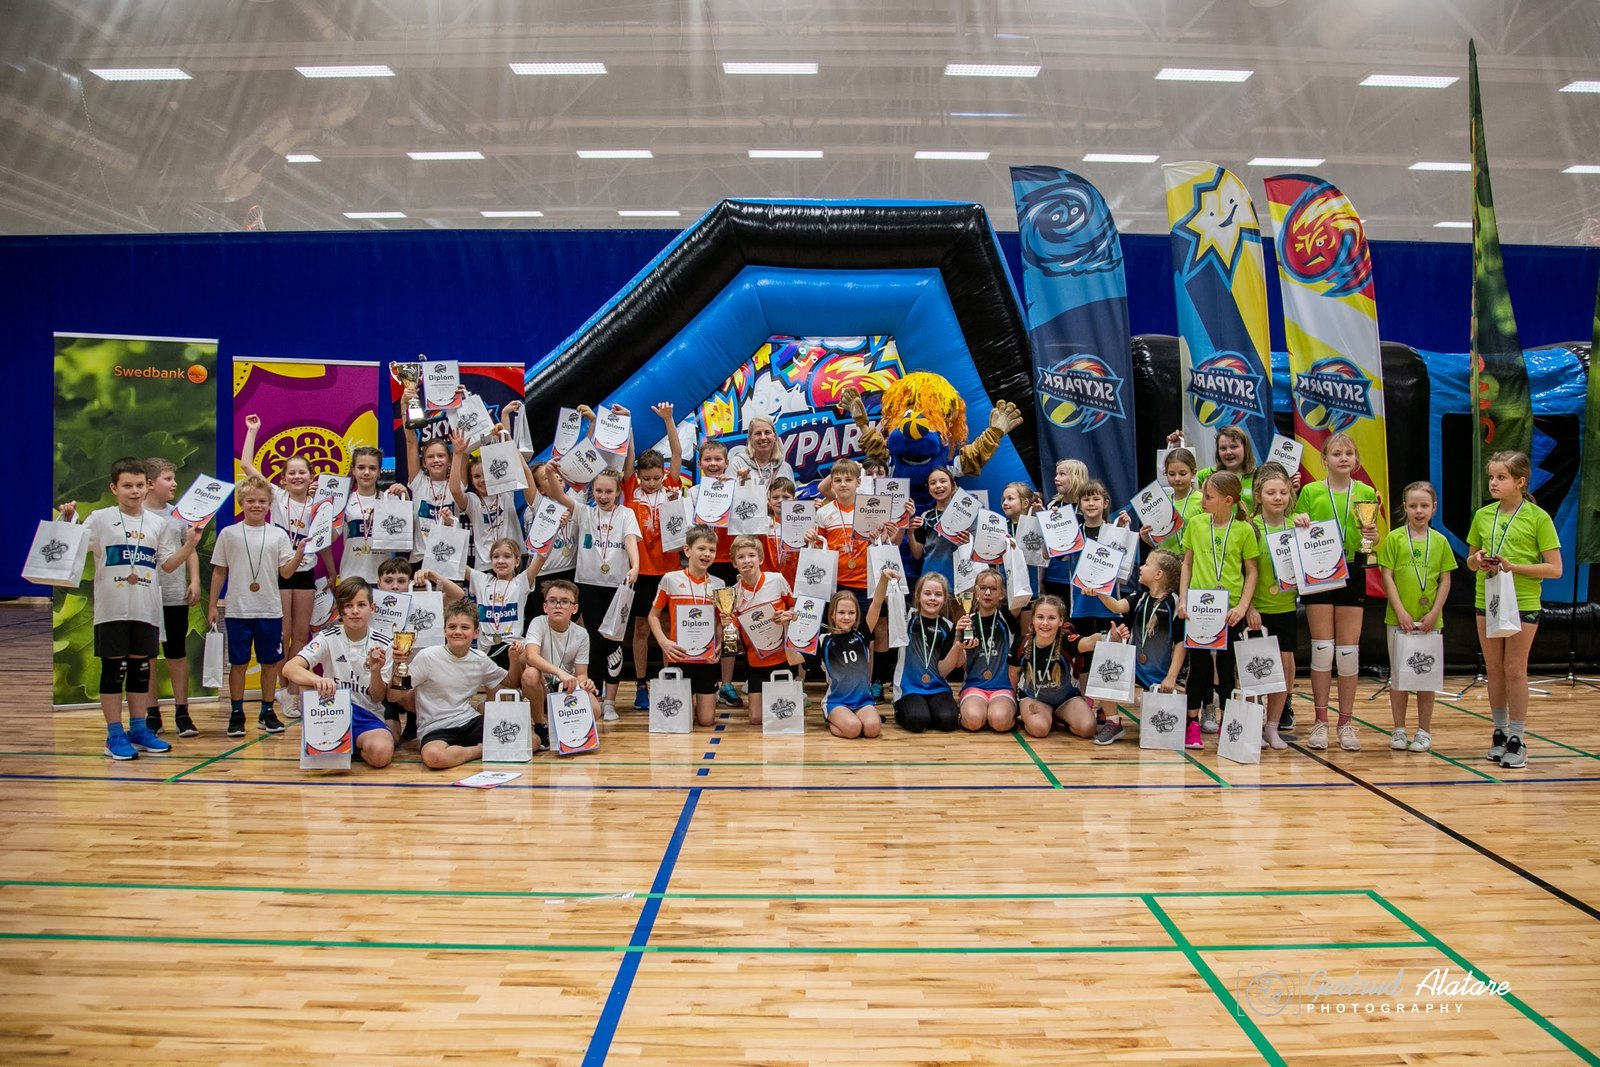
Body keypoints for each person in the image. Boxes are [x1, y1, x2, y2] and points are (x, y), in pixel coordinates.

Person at [57, 457, 203, 760]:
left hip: (146, 609)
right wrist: (67, 520)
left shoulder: (158, 523)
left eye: (138, 485)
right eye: (127, 486)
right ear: (114, 488)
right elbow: (71, 548)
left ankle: (139, 729)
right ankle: (114, 735)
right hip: (112, 609)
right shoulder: (100, 518)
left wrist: (189, 546)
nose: (134, 491)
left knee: (140, 671)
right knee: (113, 671)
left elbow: (167, 564)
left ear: (146, 487)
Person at [1467, 451, 1561, 770]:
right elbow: (1470, 562)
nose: (1493, 482)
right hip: (1487, 599)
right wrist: (1478, 560)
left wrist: (1514, 567)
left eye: (1501, 477)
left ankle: (1518, 738)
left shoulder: (1538, 518)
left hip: (1522, 601)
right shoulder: (1483, 515)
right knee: (1494, 667)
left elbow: (1555, 568)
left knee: (1514, 668)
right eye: (1491, 477)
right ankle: (1499, 732)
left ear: (1520, 482)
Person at [239, 414, 338, 713]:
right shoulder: (277, 497)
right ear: (283, 479)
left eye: (302, 473)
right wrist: (253, 431)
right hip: (280, 572)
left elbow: (323, 541)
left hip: (306, 573)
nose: (297, 477)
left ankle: (293, 691)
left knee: (301, 633)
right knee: (282, 634)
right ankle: (282, 690)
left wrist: (332, 571)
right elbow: (247, 466)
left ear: (311, 477)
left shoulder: (320, 504)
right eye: (291, 473)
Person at [1292, 431, 1379, 752]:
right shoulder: (1311, 492)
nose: (1343, 458)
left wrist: (1372, 536)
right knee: (1322, 649)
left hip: (1352, 571)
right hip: (1319, 571)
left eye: (1349, 453)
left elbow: (1369, 544)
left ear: (1356, 459)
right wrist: (1299, 520)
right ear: (1324, 459)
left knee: (1347, 652)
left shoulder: (1366, 492)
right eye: (1337, 453)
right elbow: (1297, 528)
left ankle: (1346, 723)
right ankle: (1320, 722)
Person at [205, 475, 303, 738]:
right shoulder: (229, 534)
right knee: (238, 663)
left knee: (270, 663)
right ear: (241, 503)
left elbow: (286, 572)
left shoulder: (278, 534)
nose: (256, 505)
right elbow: (219, 571)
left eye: (261, 501)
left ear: (269, 504)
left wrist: (299, 554)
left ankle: (267, 711)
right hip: (238, 610)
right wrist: (212, 605)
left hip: (269, 610)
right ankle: (237, 713)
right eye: (251, 501)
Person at [548, 466, 640, 721]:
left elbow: (630, 540)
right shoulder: (584, 512)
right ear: (591, 491)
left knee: (614, 643)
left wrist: (635, 566)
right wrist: (550, 473)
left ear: (618, 491)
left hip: (618, 586)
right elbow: (559, 495)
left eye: (608, 491)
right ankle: (596, 696)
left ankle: (610, 701)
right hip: (588, 584)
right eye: (598, 491)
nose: (603, 496)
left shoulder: (626, 514)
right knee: (593, 642)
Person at [1178, 470, 1259, 748]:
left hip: (1229, 609)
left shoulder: (1244, 529)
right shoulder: (1196, 524)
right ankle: (1191, 723)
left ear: (1227, 501)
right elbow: (1187, 563)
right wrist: (1183, 599)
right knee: (1198, 667)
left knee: (1226, 669)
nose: (1203, 500)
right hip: (1199, 607)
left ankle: (1229, 723)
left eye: (1209, 496)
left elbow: (1251, 571)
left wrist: (1243, 606)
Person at [812, 457, 903, 702]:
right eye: (838, 480)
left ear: (858, 482)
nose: (843, 484)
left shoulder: (871, 507)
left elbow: (888, 543)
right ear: (832, 484)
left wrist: (887, 535)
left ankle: (872, 682)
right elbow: (819, 548)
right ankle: (839, 684)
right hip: (837, 583)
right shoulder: (824, 512)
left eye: (848, 480)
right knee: (837, 633)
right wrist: (811, 539)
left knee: (871, 634)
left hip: (867, 582)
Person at [280, 577, 396, 768]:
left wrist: (375, 672)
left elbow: (377, 697)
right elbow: (289, 668)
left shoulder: (384, 644)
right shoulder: (327, 637)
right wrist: (317, 679)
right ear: (340, 611)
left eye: (361, 605)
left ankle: (348, 746)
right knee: (305, 682)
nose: (355, 611)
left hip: (367, 715)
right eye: (348, 606)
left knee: (381, 755)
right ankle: (336, 743)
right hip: (332, 711)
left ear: (372, 608)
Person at [1378, 481, 1456, 754]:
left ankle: (1424, 731)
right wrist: (1400, 610)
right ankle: (1399, 729)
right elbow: (1386, 576)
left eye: (1424, 505)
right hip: (1398, 620)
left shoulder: (1441, 542)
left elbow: (1445, 580)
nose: (1419, 511)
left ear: (1434, 508)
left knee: (1425, 677)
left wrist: (1434, 612)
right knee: (1398, 675)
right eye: (1413, 506)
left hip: (1429, 622)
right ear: (1405, 508)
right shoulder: (1394, 539)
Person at [389, 598, 510, 769]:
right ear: (444, 631)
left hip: (469, 721)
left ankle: (465, 749)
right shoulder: (427, 657)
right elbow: (393, 696)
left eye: (465, 627)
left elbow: (510, 681)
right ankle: (481, 750)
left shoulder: (480, 659)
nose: (458, 632)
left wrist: (515, 660)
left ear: (476, 632)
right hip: (436, 727)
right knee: (434, 757)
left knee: (528, 740)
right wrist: (400, 667)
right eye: (452, 627)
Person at [422, 535, 543, 692]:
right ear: (490, 561)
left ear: (517, 561)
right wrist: (447, 528)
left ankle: (539, 698)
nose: (501, 561)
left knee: (530, 670)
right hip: (487, 651)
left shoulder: (521, 582)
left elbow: (541, 558)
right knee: (495, 701)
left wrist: (554, 529)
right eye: (496, 557)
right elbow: (453, 559)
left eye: (507, 556)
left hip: (513, 646)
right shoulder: (481, 580)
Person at [624, 402, 685, 711]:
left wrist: (669, 420)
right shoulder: (630, 489)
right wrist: (628, 425)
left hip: (669, 570)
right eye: (646, 478)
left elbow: (676, 452)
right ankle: (641, 683)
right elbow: (629, 456)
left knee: (668, 626)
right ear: (638, 476)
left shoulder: (671, 486)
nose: (651, 483)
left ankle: (669, 678)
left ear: (663, 475)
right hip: (642, 571)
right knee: (641, 628)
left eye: (655, 478)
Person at [1095, 550, 1186, 746]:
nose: (1141, 568)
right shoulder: (1140, 597)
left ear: (1158, 574)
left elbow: (1180, 642)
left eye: (1146, 564)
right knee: (1106, 668)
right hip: (1134, 667)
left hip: (1160, 673)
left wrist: (1171, 676)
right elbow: (1117, 606)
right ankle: (1113, 722)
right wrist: (1099, 591)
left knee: (1158, 727)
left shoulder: (1175, 602)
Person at [142, 457, 201, 737]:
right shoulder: (137, 515)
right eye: (168, 479)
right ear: (150, 483)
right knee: (147, 655)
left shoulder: (178, 515)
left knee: (176, 652)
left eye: (174, 478)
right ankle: (151, 712)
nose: (174, 484)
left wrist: (195, 580)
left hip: (174, 594)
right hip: (144, 595)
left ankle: (182, 711)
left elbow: (189, 548)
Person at [649, 524, 727, 728]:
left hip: (706, 659)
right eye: (701, 548)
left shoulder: (718, 584)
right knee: (682, 720)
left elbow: (720, 622)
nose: (707, 554)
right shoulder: (671, 579)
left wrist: (719, 644)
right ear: (687, 550)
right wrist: (664, 642)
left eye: (712, 550)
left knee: (706, 720)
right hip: (679, 656)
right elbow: (653, 616)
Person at [1245, 462, 1300, 750]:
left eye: (1283, 492)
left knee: (1279, 671)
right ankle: (1253, 724)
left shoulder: (1297, 527)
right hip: (1257, 611)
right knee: (1255, 671)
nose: (1278, 498)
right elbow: (1244, 572)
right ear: (1258, 495)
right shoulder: (1250, 528)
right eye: (1271, 493)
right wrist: (1249, 607)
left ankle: (1272, 727)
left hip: (1285, 608)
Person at [870, 569, 962, 733]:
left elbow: (943, 670)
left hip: (937, 687)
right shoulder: (906, 617)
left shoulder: (948, 627)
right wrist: (884, 579)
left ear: (944, 599)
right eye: (927, 593)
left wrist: (957, 645)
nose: (932, 598)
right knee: (917, 720)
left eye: (938, 594)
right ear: (918, 596)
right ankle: (905, 708)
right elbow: (879, 601)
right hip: (909, 688)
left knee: (948, 721)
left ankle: (930, 709)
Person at [1011, 594, 1111, 740]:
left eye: (1051, 618)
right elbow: (1013, 674)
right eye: (1040, 617)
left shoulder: (1067, 641)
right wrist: (1015, 703)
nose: (1045, 623)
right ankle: (1043, 716)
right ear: (1032, 619)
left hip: (1066, 699)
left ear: (1061, 621)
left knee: (1088, 728)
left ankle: (1059, 715)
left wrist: (1109, 636)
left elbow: (1090, 642)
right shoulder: (1022, 643)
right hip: (1034, 698)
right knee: (1039, 729)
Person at [521, 578, 597, 750]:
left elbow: (581, 673)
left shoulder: (581, 634)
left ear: (574, 608)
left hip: (565, 686)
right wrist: (559, 672)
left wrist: (585, 683)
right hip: (541, 684)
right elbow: (531, 657)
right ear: (545, 606)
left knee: (595, 708)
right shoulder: (538, 623)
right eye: (552, 601)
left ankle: (564, 726)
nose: (558, 606)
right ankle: (540, 726)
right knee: (530, 673)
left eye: (564, 601)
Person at [729, 535, 796, 726]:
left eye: (751, 555)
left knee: (785, 717)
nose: (747, 561)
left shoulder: (777, 580)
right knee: (756, 718)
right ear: (734, 563)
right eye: (740, 557)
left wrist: (788, 614)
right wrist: (727, 622)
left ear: (760, 559)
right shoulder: (733, 593)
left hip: (782, 656)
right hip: (755, 660)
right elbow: (733, 632)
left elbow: (793, 607)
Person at [448, 426, 532, 566]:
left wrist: (506, 437)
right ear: (471, 481)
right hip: (485, 565)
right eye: (476, 476)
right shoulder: (472, 501)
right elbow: (455, 490)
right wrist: (457, 454)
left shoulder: (505, 490)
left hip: (513, 560)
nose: (482, 480)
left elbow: (515, 464)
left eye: (486, 474)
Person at [338, 445, 411, 585]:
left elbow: (407, 536)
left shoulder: (391, 500)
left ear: (379, 472)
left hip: (384, 578)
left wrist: (405, 500)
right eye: (361, 467)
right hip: (351, 576)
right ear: (353, 470)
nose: (366, 472)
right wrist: (321, 506)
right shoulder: (344, 501)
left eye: (372, 468)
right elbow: (331, 537)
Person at [956, 568, 1017, 732]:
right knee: (973, 721)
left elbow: (1020, 592)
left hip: (1002, 687)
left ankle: (1006, 713)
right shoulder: (968, 621)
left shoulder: (1007, 618)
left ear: (1002, 594)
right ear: (976, 592)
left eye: (993, 589)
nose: (988, 593)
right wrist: (958, 636)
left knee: (999, 722)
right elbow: (959, 663)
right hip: (974, 686)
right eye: (983, 588)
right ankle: (973, 713)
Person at [815, 589, 880, 739]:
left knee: (872, 730)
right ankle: (832, 719)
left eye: (851, 613)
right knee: (853, 729)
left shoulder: (862, 634)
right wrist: (788, 627)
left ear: (857, 615)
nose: (846, 617)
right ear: (832, 614)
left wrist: (884, 578)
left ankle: (851, 720)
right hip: (837, 701)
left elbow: (876, 603)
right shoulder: (823, 640)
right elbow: (793, 659)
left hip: (862, 701)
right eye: (841, 612)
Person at [374, 556, 421, 742]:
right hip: (381, 682)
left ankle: (413, 718)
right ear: (378, 583)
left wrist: (433, 577)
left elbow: (456, 596)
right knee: (392, 738)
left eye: (401, 581)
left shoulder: (423, 604)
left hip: (410, 682)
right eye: (388, 581)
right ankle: (390, 715)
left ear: (409, 583)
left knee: (408, 691)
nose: (395, 586)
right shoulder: (369, 608)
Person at [1171, 425, 1259, 513]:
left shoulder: (1257, 477)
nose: (1228, 452)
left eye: (1233, 447)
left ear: (1245, 448)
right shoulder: (1208, 474)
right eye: (1223, 448)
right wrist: (1177, 449)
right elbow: (1179, 481)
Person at [908, 467, 964, 587]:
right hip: (930, 580)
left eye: (943, 481)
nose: (938, 486)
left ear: (953, 485)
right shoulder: (925, 517)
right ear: (929, 489)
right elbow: (917, 554)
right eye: (933, 483)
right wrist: (910, 533)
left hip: (959, 581)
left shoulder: (965, 515)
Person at [728, 415, 796, 485]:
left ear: (775, 437)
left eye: (767, 432)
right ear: (750, 438)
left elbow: (791, 492)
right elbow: (729, 490)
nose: (763, 437)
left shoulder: (785, 468)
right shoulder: (738, 464)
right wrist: (742, 482)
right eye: (758, 433)